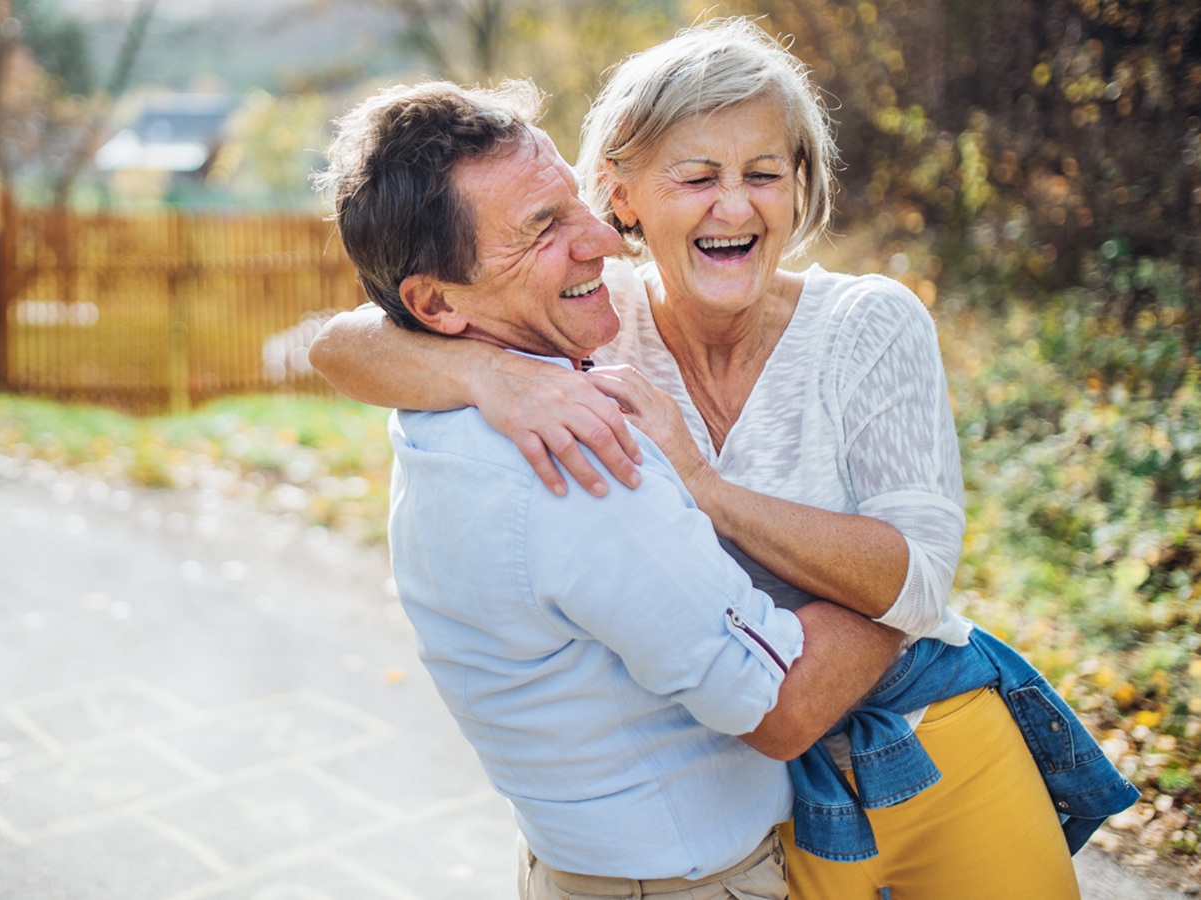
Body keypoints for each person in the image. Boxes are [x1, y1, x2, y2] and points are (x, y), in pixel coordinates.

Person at [310, 18, 1136, 900]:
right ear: (621, 195)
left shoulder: (867, 324)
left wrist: (707, 489)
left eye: (765, 174)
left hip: (938, 739)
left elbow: (920, 573)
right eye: (698, 176)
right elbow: (339, 345)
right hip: (778, 807)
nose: (735, 207)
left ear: (800, 186)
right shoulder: (592, 318)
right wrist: (487, 373)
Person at [316, 77, 910, 900]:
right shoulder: (578, 459)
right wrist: (905, 587)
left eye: (577, 202)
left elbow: (343, 343)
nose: (601, 238)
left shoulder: (440, 411)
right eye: (542, 227)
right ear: (436, 304)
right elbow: (779, 703)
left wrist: (482, 370)